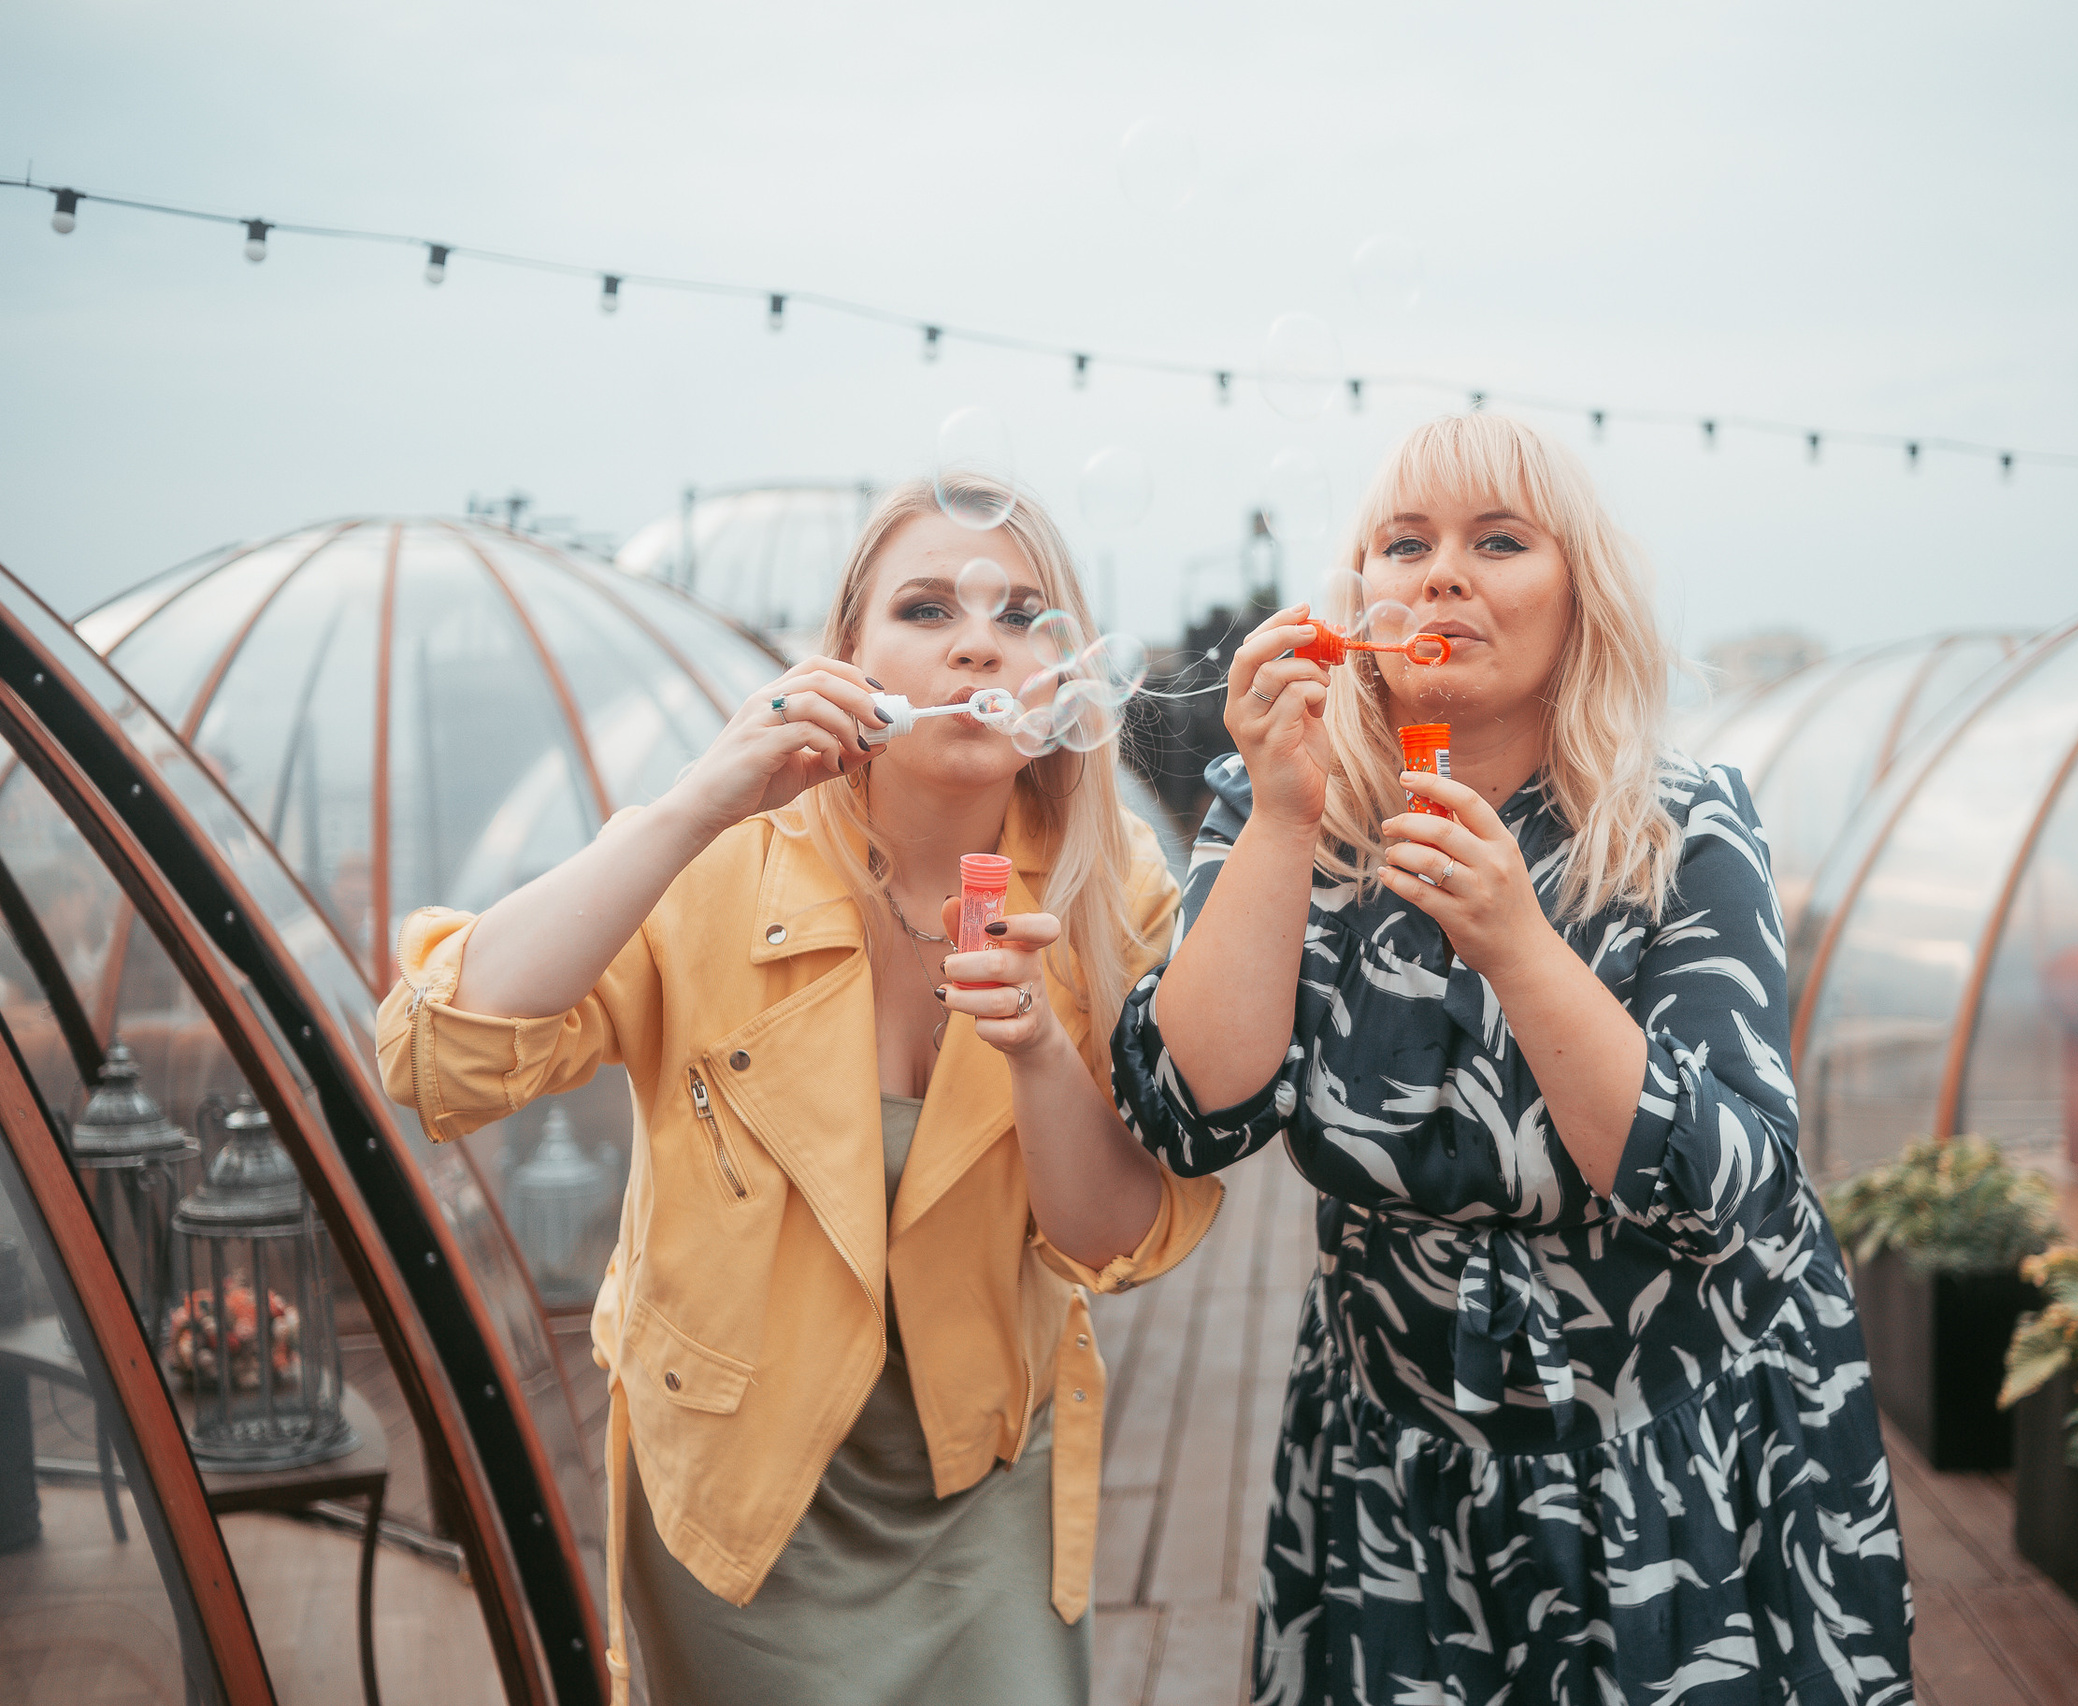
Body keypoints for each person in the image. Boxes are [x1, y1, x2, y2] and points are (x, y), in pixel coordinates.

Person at [378, 477, 1222, 1706]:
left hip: (984, 1491)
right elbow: (433, 1057)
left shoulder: (1110, 887)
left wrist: (1039, 1047)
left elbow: (1113, 1240)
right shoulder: (721, 857)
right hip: (742, 1517)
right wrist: (693, 802)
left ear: (1062, 680)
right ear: (845, 660)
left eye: (1021, 614)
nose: (978, 643)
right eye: (926, 608)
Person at [1112, 414, 1913, 1704]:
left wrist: (1518, 943)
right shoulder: (1285, 800)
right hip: (1396, 1466)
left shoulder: (1679, 824)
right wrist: (1281, 816)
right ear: (1357, 599)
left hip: (1673, 1460)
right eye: (1404, 544)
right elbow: (1189, 1114)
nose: (1442, 573)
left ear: (1577, 594)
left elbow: (1728, 1190)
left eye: (1497, 541)